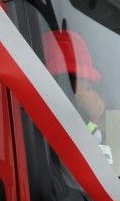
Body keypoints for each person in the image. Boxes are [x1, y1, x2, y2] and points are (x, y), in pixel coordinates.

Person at [42, 29, 111, 162]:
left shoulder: (85, 126)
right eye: (89, 88)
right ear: (67, 90)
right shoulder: (55, 134)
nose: (97, 97)